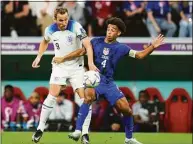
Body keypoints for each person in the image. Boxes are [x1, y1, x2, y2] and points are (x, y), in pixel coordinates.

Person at [54, 17, 164, 144]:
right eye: (108, 29)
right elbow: (80, 52)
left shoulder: (122, 48)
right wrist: (63, 58)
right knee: (88, 97)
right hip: (94, 79)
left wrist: (153, 47)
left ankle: (129, 139)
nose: (109, 32)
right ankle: (78, 131)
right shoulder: (95, 42)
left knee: (126, 110)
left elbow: (140, 55)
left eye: (113, 30)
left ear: (118, 33)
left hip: (109, 83)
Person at [31, 7, 98, 143]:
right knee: (52, 95)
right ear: (55, 19)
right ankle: (40, 129)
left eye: (66, 19)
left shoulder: (76, 26)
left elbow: (87, 46)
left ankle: (85, 133)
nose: (64, 22)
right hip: (59, 67)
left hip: (77, 68)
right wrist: (39, 56)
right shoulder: (50, 29)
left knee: (85, 99)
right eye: (61, 20)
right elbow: (44, 41)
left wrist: (90, 64)